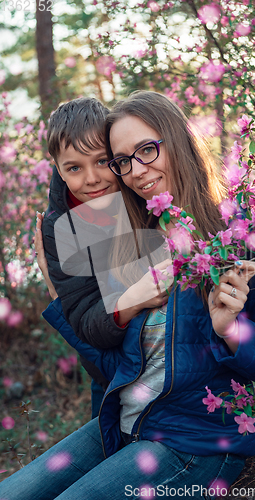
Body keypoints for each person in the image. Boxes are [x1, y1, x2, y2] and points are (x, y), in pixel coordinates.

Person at [0, 91, 255, 499]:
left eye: (147, 150)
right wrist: (57, 290)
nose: (136, 170)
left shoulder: (243, 231)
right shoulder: (130, 237)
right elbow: (109, 367)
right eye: (122, 160)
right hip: (122, 424)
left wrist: (230, 330)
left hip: (195, 442)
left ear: (178, 139)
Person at [40, 97, 125, 418]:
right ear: (59, 170)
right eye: (74, 168)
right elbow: (86, 322)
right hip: (107, 373)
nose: (91, 179)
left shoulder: (137, 193)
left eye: (102, 161)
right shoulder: (58, 227)